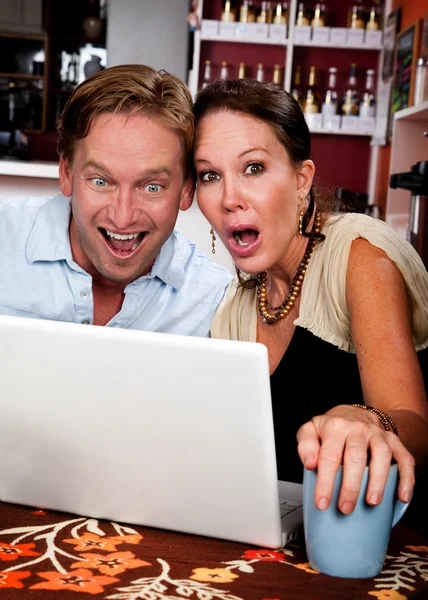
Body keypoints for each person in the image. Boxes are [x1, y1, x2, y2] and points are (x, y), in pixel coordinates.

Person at [193, 78, 428, 518]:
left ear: (302, 180)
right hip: (286, 539)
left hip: (394, 538)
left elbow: (415, 424)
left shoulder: (359, 253)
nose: (229, 199)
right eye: (210, 175)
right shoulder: (232, 309)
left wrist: (370, 420)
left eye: (254, 168)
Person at [0, 65, 231, 335]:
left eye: (152, 187)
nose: (123, 218)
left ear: (186, 190)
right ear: (66, 173)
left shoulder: (214, 300)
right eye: (101, 182)